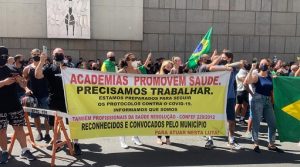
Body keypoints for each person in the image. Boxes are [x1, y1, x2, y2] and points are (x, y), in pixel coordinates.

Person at [42, 48, 82, 155]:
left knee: (73, 122)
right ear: (53, 54)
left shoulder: (70, 67)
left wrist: (66, 68)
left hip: (69, 100)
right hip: (54, 100)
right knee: (55, 123)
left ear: (64, 55)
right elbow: (38, 76)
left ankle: (76, 143)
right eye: (56, 54)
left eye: (61, 54)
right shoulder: (49, 67)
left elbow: (80, 79)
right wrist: (41, 61)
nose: (58, 55)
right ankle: (58, 141)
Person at [0, 46, 36, 164]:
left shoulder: (12, 68)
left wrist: (24, 85)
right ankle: (4, 152)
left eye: (5, 56)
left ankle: (25, 150)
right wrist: (4, 83)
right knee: (1, 130)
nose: (3, 59)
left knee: (19, 127)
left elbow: (21, 82)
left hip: (14, 104)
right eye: (1, 57)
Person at [245, 59, 284, 153]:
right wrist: (251, 69)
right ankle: (256, 144)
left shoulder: (270, 76)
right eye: (262, 63)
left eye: (265, 64)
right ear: (259, 65)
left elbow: (274, 88)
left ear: (269, 65)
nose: (263, 65)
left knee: (273, 123)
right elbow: (247, 81)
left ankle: (271, 144)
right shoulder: (256, 76)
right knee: (257, 123)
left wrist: (278, 77)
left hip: (268, 101)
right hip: (257, 100)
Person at [209, 50, 242, 150]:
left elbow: (241, 64)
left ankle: (231, 140)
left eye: (223, 57)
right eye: (221, 57)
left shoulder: (232, 68)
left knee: (231, 120)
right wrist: (220, 60)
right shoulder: (219, 68)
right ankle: (210, 139)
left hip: (230, 97)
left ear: (229, 58)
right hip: (217, 97)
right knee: (213, 119)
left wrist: (229, 64)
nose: (221, 59)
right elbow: (211, 68)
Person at [23, 49, 51, 142]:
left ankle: (47, 133)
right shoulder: (27, 68)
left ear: (41, 55)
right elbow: (23, 82)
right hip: (33, 96)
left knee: (47, 116)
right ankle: (39, 133)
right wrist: (26, 89)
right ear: (31, 55)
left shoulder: (46, 67)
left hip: (45, 95)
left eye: (37, 54)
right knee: (35, 116)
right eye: (34, 54)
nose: (36, 56)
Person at [118, 53, 143, 148]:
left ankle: (135, 137)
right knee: (124, 120)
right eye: (132, 59)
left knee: (136, 119)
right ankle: (122, 140)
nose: (134, 61)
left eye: (135, 59)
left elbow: (145, 81)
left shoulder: (137, 70)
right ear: (127, 60)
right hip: (125, 99)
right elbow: (111, 80)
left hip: (136, 98)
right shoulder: (122, 71)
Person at [156, 60, 173, 145]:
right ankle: (159, 138)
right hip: (160, 101)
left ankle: (168, 138)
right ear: (163, 67)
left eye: (170, 67)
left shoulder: (172, 76)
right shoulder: (158, 75)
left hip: (169, 101)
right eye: (168, 67)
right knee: (160, 121)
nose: (169, 68)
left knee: (168, 121)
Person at [235, 60, 250, 125]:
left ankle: (241, 119)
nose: (247, 63)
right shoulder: (242, 71)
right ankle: (232, 119)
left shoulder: (245, 71)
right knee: (238, 105)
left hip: (244, 90)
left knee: (245, 105)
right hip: (241, 90)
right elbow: (244, 81)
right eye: (245, 63)